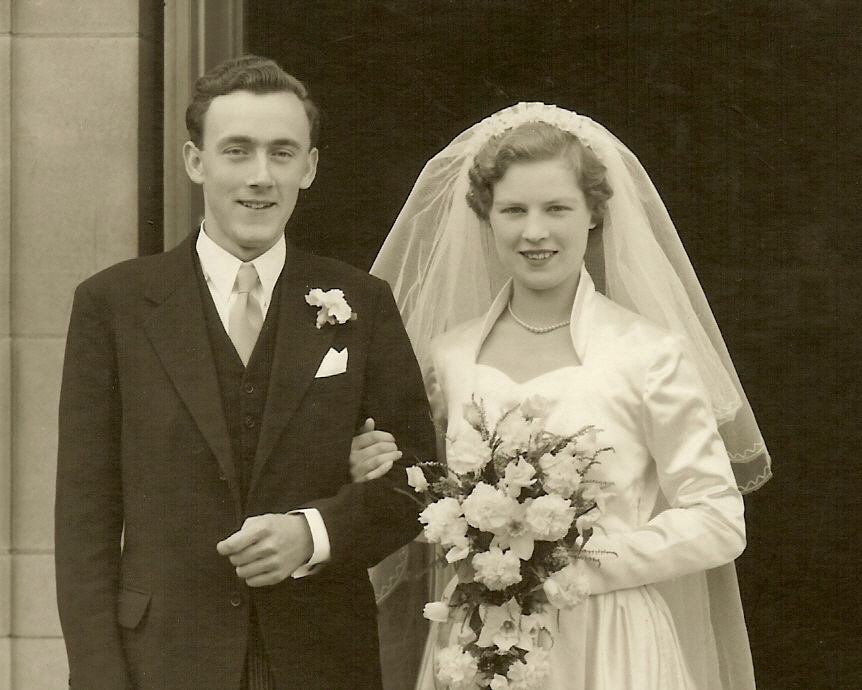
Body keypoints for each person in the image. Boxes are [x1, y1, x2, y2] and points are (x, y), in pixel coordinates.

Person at [356, 103, 771, 689]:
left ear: (594, 214)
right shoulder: (447, 358)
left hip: (613, 642)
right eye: (514, 210)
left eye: (557, 208)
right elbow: (412, 497)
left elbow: (720, 520)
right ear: (486, 216)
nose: (535, 231)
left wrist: (577, 563)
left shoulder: (647, 354)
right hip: (480, 641)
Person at [54, 54, 436, 690]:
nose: (261, 177)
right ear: (195, 161)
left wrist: (313, 533)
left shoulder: (360, 302)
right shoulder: (113, 305)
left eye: (282, 153)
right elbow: (84, 520)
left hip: (322, 658)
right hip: (164, 661)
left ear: (308, 167)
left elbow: (420, 482)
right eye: (238, 151)